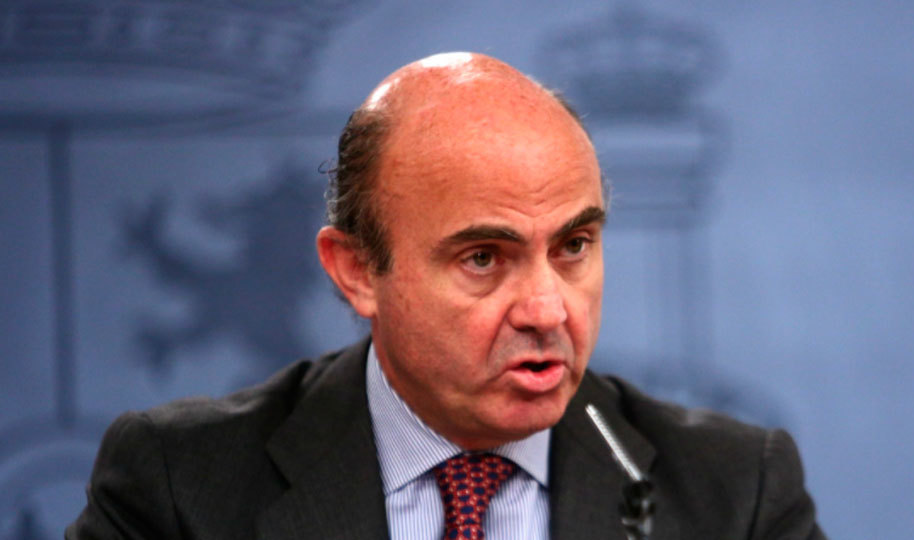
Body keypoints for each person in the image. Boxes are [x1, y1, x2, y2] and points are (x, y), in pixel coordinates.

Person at [67, 52, 826, 539]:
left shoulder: (736, 493)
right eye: (483, 258)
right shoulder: (180, 488)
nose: (548, 310)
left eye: (573, 247)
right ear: (356, 271)